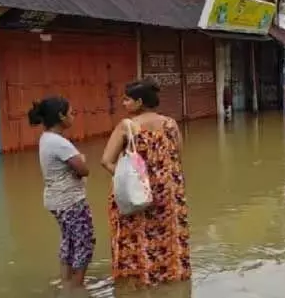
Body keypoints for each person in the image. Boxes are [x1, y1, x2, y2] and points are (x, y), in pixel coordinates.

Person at [101, 80, 190, 286]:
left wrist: (136, 181)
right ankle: (170, 280)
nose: (123, 103)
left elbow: (106, 161)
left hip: (138, 195)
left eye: (127, 99)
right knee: (169, 239)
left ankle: (138, 282)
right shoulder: (170, 124)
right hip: (169, 193)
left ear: (139, 102)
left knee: (137, 237)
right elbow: (177, 158)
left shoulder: (127, 126)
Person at [28, 97, 94, 287]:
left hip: (56, 199)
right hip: (70, 200)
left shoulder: (46, 138)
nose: (73, 117)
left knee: (69, 240)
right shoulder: (59, 143)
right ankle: (77, 288)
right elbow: (83, 170)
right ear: (61, 116)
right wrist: (81, 158)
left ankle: (66, 283)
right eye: (71, 113)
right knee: (84, 242)